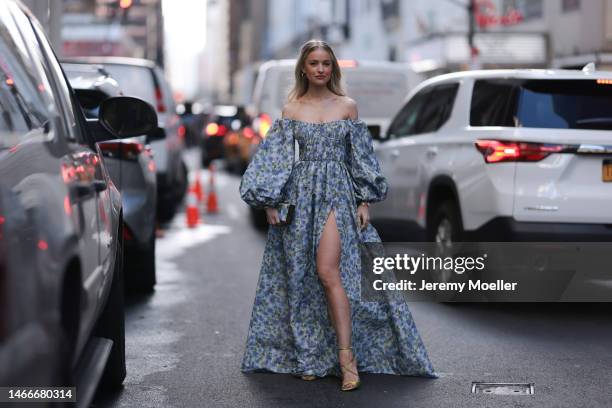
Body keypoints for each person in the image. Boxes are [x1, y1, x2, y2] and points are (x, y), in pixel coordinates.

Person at [239, 39, 437, 392]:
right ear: (303, 67)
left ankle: (347, 360)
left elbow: (361, 158)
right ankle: (312, 356)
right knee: (300, 277)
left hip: (337, 193)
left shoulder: (347, 107)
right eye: (314, 63)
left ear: (333, 68)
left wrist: (364, 201)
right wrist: (270, 201)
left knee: (327, 271)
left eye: (326, 63)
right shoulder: (291, 109)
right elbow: (276, 160)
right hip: (301, 195)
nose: (320, 69)